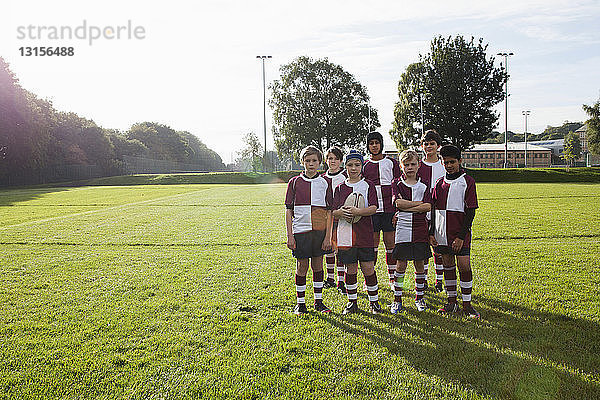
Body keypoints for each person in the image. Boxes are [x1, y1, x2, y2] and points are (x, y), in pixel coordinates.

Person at [429, 145, 480, 318]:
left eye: (452, 162)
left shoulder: (468, 181)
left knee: (464, 266)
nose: (449, 165)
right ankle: (452, 302)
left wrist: (460, 236)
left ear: (460, 161)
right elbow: (433, 209)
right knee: (448, 265)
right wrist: (431, 232)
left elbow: (470, 211)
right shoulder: (439, 183)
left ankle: (467, 305)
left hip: (460, 234)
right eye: (446, 162)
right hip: (441, 234)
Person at [332, 150, 383, 314]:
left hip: (365, 234)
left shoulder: (368, 185)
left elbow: (374, 208)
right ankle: (352, 302)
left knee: (368, 267)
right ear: (345, 166)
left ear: (362, 166)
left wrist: (357, 212)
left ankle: (374, 302)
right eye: (350, 165)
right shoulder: (340, 188)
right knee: (350, 269)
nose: (353, 168)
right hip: (346, 235)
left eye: (357, 165)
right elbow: (333, 211)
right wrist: (340, 213)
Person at [285, 145, 333, 315]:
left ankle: (318, 302)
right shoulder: (295, 182)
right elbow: (289, 210)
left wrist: (328, 236)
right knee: (302, 265)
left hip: (319, 231)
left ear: (320, 162)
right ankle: (301, 303)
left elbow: (330, 211)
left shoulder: (325, 182)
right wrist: (290, 236)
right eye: (307, 161)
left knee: (318, 265)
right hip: (301, 231)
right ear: (302, 162)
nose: (311, 164)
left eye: (314, 160)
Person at [390, 150, 432, 313]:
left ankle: (419, 298)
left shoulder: (424, 184)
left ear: (418, 165)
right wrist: (418, 204)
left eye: (413, 164)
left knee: (420, 265)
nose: (409, 167)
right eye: (406, 164)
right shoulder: (397, 183)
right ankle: (397, 300)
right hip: (403, 229)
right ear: (401, 166)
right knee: (400, 265)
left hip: (420, 228)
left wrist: (410, 205)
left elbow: (428, 206)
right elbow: (398, 204)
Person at [362, 131, 402, 288]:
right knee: (372, 245)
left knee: (390, 244)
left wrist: (398, 210)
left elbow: (399, 185)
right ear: (368, 146)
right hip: (372, 210)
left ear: (381, 144)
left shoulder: (391, 163)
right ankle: (370, 280)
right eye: (371, 143)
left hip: (389, 209)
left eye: (376, 143)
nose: (374, 145)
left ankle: (393, 279)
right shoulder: (364, 165)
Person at [417, 129, 446, 292]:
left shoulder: (443, 165)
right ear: (422, 146)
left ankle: (439, 280)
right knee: (423, 248)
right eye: (426, 144)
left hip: (440, 212)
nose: (429, 147)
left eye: (432, 144)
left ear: (438, 146)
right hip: (421, 211)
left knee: (438, 247)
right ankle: (425, 279)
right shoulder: (418, 166)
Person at [322, 146, 347, 294]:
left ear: (340, 161)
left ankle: (341, 281)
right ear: (326, 160)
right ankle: (330, 278)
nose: (333, 161)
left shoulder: (344, 176)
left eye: (335, 158)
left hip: (340, 218)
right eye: (330, 158)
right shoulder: (322, 178)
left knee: (340, 248)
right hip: (326, 218)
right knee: (328, 248)